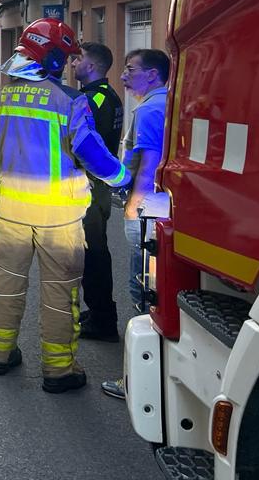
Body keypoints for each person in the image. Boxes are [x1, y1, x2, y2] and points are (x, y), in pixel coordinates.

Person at [0, 19, 130, 394]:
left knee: (6, 285)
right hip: (58, 219)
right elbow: (94, 155)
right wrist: (124, 178)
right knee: (60, 293)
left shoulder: (0, 99)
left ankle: (0, 355)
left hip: (11, 213)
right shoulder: (70, 101)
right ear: (57, 58)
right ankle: (58, 372)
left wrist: (11, 164)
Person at [101, 48, 170, 400]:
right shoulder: (167, 102)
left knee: (143, 292)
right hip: (165, 205)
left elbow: (148, 163)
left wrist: (134, 208)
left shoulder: (148, 109)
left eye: (131, 70)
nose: (124, 76)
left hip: (148, 209)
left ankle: (137, 384)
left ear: (153, 75)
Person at [71, 42, 125, 342]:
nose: (73, 64)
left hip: (89, 187)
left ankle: (103, 320)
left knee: (92, 255)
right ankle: (99, 311)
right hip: (99, 186)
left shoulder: (89, 100)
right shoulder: (109, 96)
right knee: (94, 252)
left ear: (91, 66)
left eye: (78, 59)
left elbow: (83, 147)